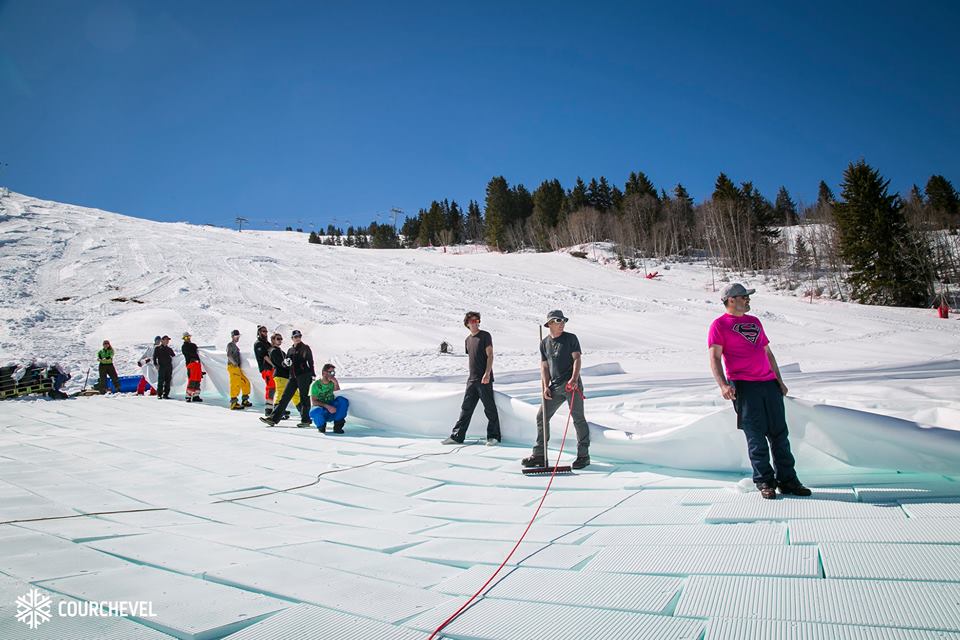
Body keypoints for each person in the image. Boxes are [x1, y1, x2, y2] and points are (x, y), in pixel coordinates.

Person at [708, 283, 811, 500]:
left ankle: (788, 481)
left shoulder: (755, 322)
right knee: (756, 437)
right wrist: (723, 385)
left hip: (769, 385)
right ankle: (765, 481)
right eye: (744, 297)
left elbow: (768, 353)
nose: (748, 300)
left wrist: (779, 380)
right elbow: (715, 358)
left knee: (780, 435)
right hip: (744, 386)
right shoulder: (719, 325)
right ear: (731, 299)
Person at [522, 310, 591, 470]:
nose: (562, 323)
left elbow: (577, 359)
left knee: (578, 418)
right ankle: (540, 454)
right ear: (550, 323)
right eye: (559, 321)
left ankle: (583, 455)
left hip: (571, 385)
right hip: (554, 386)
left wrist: (574, 379)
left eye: (564, 321)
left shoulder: (571, 338)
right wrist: (546, 386)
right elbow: (544, 366)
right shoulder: (544, 343)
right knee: (541, 417)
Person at [442, 311, 501, 446]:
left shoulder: (485, 336)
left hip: (484, 379)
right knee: (466, 408)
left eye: (477, 320)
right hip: (472, 380)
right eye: (472, 321)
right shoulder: (468, 340)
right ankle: (457, 436)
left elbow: (490, 355)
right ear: (467, 323)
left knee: (489, 408)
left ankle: (493, 436)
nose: (475, 323)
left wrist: (487, 373)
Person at [261, 330, 314, 427]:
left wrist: (312, 374)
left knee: (304, 398)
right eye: (295, 337)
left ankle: (306, 420)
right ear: (292, 338)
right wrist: (285, 363)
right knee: (284, 397)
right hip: (293, 377)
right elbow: (285, 363)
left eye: (299, 336)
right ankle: (273, 419)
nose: (298, 338)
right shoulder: (290, 350)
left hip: (304, 375)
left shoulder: (305, 348)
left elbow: (310, 361)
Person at [309, 364, 349, 433]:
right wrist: (327, 406)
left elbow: (338, 394)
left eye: (334, 373)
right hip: (322, 409)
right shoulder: (315, 385)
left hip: (332, 410)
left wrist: (336, 383)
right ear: (324, 373)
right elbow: (314, 402)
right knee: (315, 411)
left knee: (343, 401)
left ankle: (338, 425)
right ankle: (321, 425)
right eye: (331, 372)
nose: (333, 375)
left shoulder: (332, 383)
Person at [226, 329, 252, 410]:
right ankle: (234, 403)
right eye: (236, 336)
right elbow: (229, 355)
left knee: (245, 382)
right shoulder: (230, 345)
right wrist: (234, 363)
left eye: (238, 336)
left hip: (237, 368)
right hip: (233, 367)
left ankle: (245, 400)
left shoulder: (235, 345)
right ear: (232, 337)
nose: (237, 338)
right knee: (235, 383)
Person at [253, 325, 276, 417]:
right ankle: (268, 409)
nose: (265, 333)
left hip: (271, 369)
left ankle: (275, 408)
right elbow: (265, 356)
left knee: (274, 387)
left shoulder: (266, 343)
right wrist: (274, 365)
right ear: (259, 332)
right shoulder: (258, 343)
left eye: (266, 331)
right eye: (263, 331)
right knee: (270, 387)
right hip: (266, 369)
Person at [181, 332, 204, 402]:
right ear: (184, 339)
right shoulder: (184, 347)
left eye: (188, 337)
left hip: (197, 365)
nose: (188, 338)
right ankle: (188, 396)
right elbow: (189, 353)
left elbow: (196, 352)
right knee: (192, 380)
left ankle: (196, 396)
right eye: (186, 337)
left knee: (197, 380)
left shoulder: (193, 345)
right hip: (191, 364)